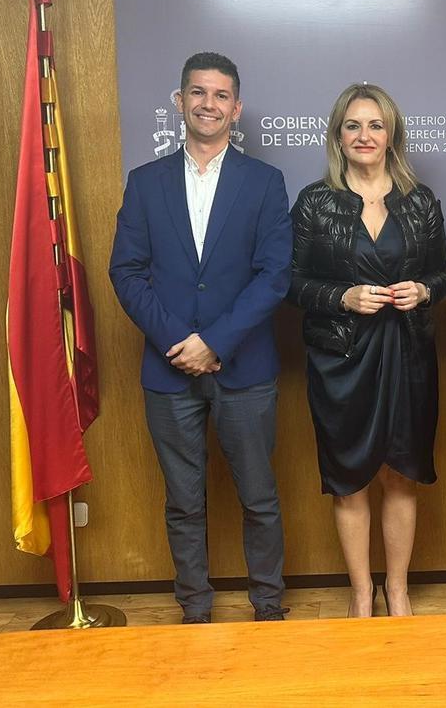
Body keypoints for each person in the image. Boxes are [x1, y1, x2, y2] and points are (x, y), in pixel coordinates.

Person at [110, 51, 292, 624]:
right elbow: (126, 272)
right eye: (197, 93)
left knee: (259, 498)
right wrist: (179, 341)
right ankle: (195, 608)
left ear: (236, 108)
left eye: (220, 95)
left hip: (245, 367)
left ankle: (268, 604)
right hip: (168, 369)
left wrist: (215, 341)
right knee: (183, 502)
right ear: (179, 101)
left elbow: (275, 275)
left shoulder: (265, 182)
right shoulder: (145, 183)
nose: (207, 104)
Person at [288, 83, 446, 618]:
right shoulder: (315, 201)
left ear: (391, 134)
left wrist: (425, 290)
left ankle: (397, 590)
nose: (365, 135)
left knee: (401, 473)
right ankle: (362, 594)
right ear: (338, 134)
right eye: (354, 125)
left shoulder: (420, 199)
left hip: (407, 355)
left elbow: (442, 274)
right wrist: (341, 296)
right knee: (350, 478)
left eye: (375, 125)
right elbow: (288, 282)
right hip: (340, 358)